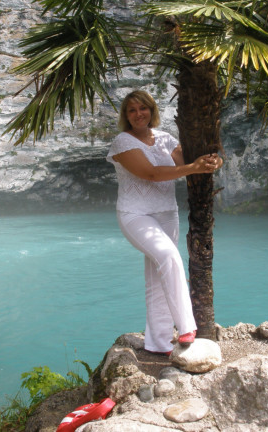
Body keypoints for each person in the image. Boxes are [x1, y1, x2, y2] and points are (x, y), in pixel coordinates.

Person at [106, 90, 222, 355]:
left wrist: (213, 161)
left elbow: (189, 161)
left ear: (152, 110)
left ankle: (158, 343)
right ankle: (186, 327)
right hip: (136, 215)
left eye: (143, 108)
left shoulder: (165, 138)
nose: (138, 114)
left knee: (158, 279)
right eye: (132, 110)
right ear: (126, 116)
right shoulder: (123, 142)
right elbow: (151, 174)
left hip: (167, 213)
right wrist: (193, 168)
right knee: (170, 257)